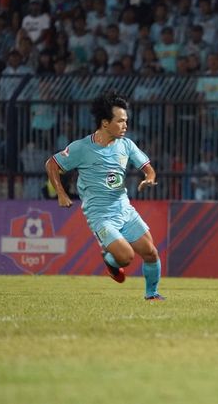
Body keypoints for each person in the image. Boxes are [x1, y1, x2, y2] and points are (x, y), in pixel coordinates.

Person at [45, 91, 164, 301]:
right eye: (120, 121)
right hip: (101, 215)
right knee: (126, 257)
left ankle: (152, 295)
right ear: (105, 123)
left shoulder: (126, 144)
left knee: (151, 253)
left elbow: (148, 168)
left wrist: (149, 177)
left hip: (124, 209)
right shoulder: (81, 148)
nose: (125, 125)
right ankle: (111, 261)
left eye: (126, 121)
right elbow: (51, 164)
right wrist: (61, 194)